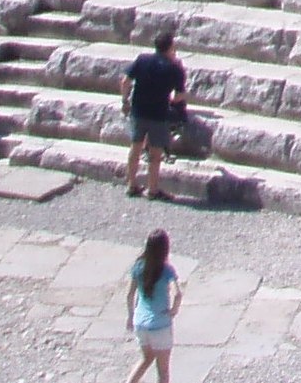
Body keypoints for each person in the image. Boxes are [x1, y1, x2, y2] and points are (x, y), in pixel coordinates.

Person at [121, 30, 185, 200]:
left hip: (138, 111)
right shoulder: (175, 68)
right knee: (155, 155)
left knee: (135, 147)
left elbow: (125, 82)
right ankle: (152, 190)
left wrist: (124, 101)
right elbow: (179, 96)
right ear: (170, 48)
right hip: (158, 114)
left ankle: (131, 185)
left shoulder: (142, 59)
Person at [124, 228, 180, 383]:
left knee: (146, 358)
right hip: (160, 325)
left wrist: (130, 316)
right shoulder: (167, 270)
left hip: (140, 322)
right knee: (163, 371)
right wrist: (173, 311)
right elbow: (178, 294)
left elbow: (130, 294)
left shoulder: (138, 266)